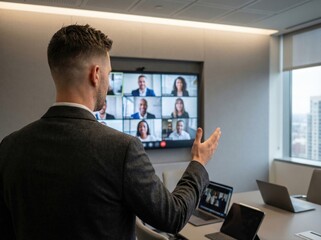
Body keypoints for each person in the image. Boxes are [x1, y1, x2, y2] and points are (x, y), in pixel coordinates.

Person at [0, 24, 221, 240]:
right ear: (96, 74)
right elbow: (172, 216)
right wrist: (198, 162)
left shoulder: (10, 146)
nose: (108, 81)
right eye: (109, 73)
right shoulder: (121, 149)